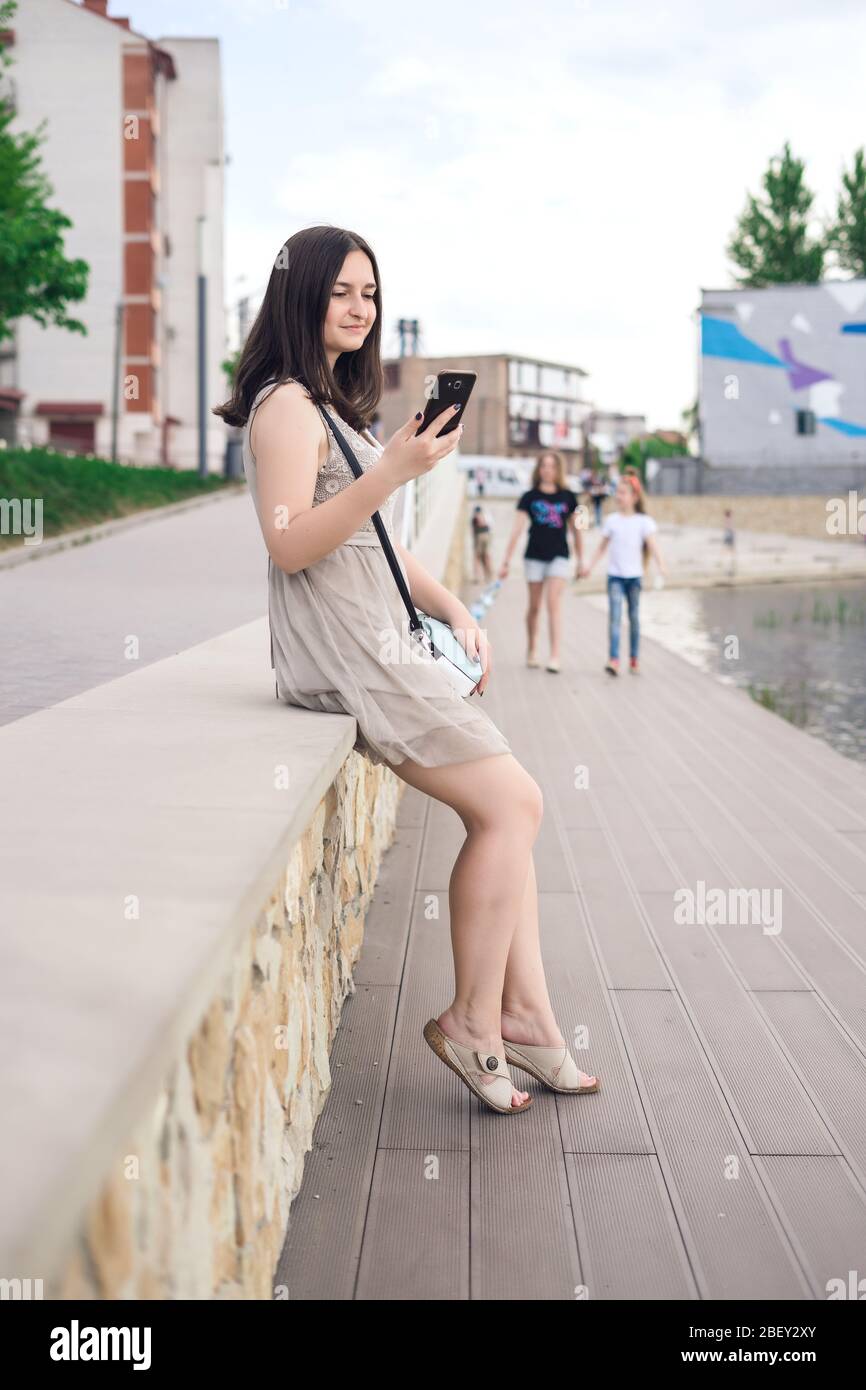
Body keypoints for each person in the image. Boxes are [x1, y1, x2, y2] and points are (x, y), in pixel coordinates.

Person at [215, 225, 597, 1115]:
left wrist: (455, 608)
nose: (360, 309)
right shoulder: (284, 409)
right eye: (343, 291)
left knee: (510, 810)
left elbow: (373, 542)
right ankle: (474, 1021)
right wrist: (390, 470)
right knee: (515, 804)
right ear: (300, 296)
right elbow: (290, 542)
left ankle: (528, 1018)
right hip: (349, 653)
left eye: (370, 295)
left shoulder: (332, 410)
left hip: (385, 640)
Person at [498, 450, 583, 673]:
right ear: (539, 469)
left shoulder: (569, 496)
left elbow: (578, 529)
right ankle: (532, 648)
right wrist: (506, 560)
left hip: (559, 556)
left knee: (553, 604)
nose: (548, 470)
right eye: (544, 466)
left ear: (558, 470)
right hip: (534, 556)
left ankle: (555, 656)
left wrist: (582, 560)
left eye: (552, 466)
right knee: (535, 607)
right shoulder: (529, 497)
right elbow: (516, 530)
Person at [581, 473, 667, 675]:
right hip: (615, 578)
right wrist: (589, 567)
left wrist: (661, 565)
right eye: (617, 492)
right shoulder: (611, 521)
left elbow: (653, 545)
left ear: (634, 497)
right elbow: (601, 548)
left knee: (634, 619)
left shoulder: (644, 521)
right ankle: (614, 659)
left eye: (623, 493)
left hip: (634, 578)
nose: (618, 496)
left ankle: (634, 658)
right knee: (615, 618)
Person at [470, 502, 494, 584]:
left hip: (481, 536)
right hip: (485, 536)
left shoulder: (478, 518)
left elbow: (474, 530)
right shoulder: (484, 517)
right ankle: (485, 577)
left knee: (480, 557)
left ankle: (482, 577)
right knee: (484, 557)